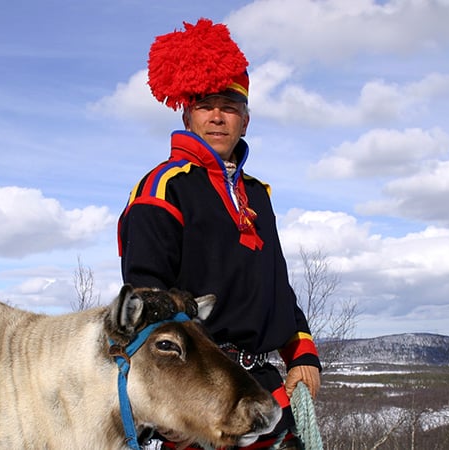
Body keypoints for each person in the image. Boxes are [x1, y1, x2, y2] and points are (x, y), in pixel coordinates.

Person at [118, 18, 321, 449]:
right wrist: (167, 400)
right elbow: (146, 302)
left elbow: (277, 288)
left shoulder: (257, 196)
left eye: (229, 106)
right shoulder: (164, 187)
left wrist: (301, 354)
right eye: (206, 104)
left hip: (266, 392)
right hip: (200, 393)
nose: (217, 116)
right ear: (186, 112)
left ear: (245, 120)